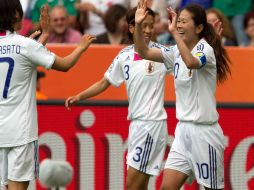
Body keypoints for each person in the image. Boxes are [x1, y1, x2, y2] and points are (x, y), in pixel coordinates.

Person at [66, 7, 172, 190]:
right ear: (132, 28)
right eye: (143, 25)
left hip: (151, 125)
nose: (148, 30)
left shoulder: (163, 53)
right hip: (136, 126)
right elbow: (103, 82)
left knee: (132, 185)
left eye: (151, 26)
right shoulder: (124, 55)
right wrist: (80, 96)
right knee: (139, 185)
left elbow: (188, 64)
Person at [134, 1, 231, 189]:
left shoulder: (205, 49)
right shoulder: (175, 52)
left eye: (184, 21)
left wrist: (173, 35)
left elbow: (191, 62)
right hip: (182, 134)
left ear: (199, 27)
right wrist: (138, 25)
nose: (178, 25)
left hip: (205, 134)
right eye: (178, 21)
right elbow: (143, 51)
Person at [0, 0, 95, 189]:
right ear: (17, 15)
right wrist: (81, 47)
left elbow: (21, 62)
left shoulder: (26, 45)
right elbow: (65, 64)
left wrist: (43, 37)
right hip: (21, 133)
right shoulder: (26, 45)